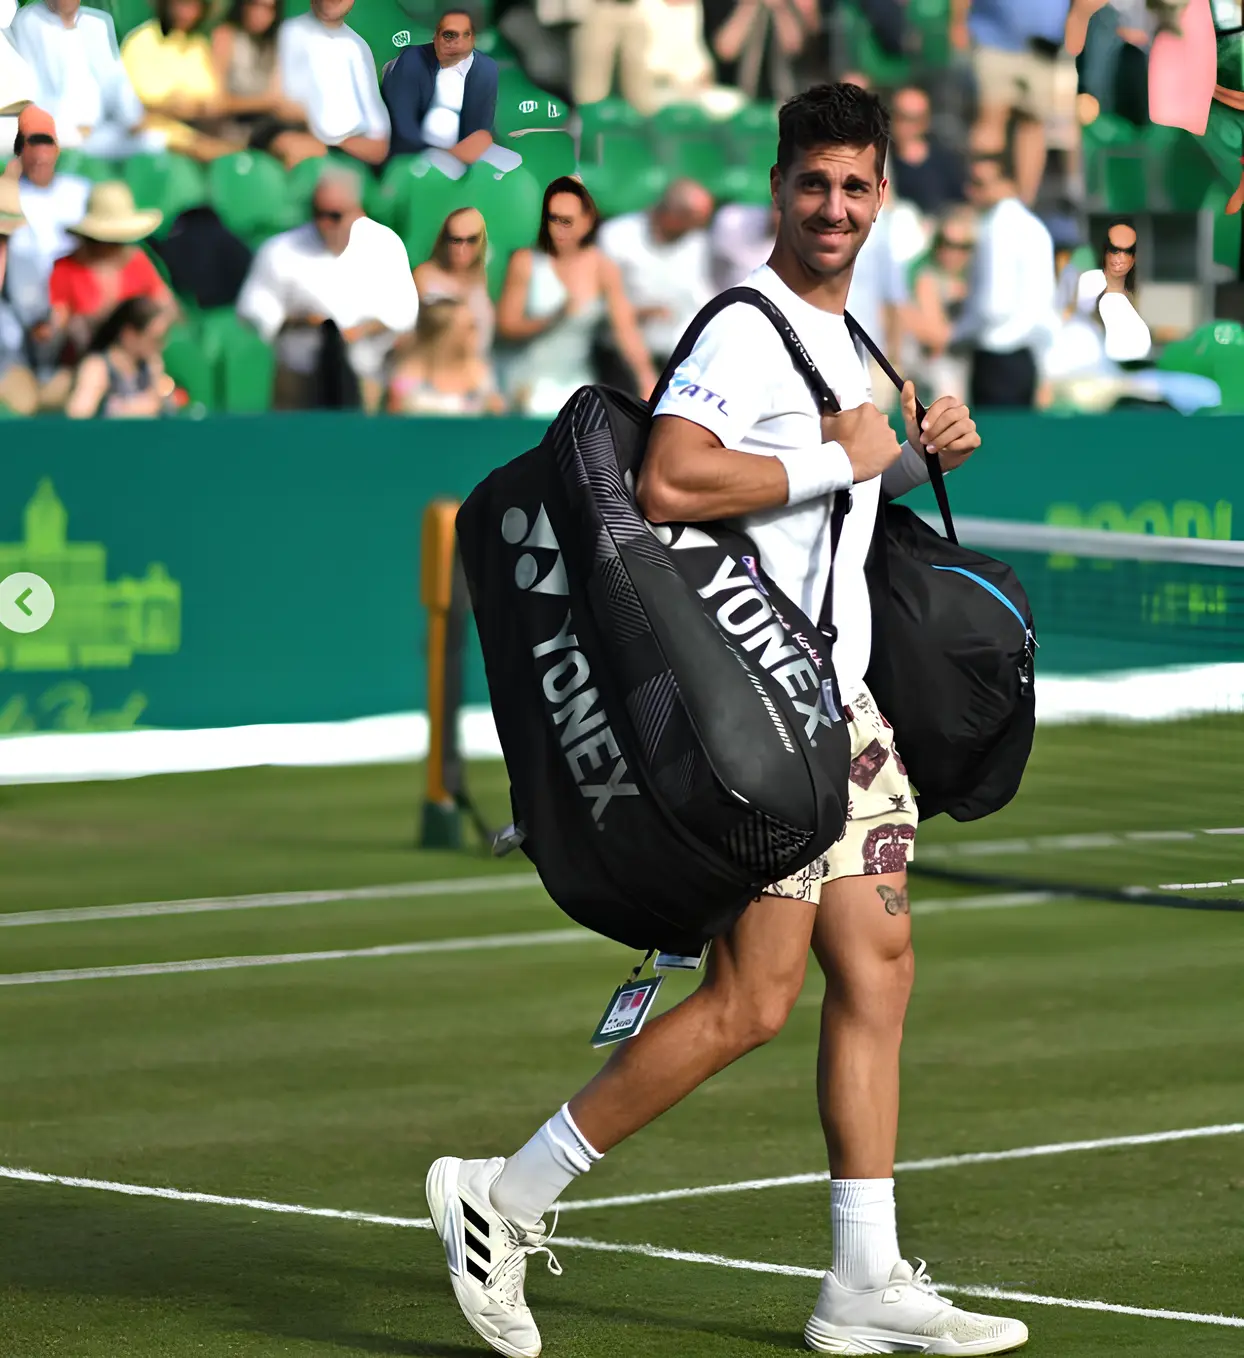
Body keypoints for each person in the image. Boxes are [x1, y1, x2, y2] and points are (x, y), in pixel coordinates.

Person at [425, 82, 1028, 1358]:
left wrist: (921, 450)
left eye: (854, 185)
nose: (832, 206)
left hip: (841, 703)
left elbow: (842, 481)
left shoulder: (850, 340)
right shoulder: (746, 331)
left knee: (877, 965)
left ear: (880, 195)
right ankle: (502, 1190)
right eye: (812, 183)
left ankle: (861, 1279)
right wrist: (845, 457)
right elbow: (670, 476)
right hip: (770, 704)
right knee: (753, 1000)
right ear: (778, 187)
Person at [235, 164, 419, 412]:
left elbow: (405, 314)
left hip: (367, 375)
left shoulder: (385, 246)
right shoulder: (281, 249)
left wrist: (361, 329)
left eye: (335, 215)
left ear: (358, 211)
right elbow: (256, 309)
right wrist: (301, 320)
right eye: (318, 213)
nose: (325, 223)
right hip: (301, 376)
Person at [495, 175, 655, 416]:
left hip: (574, 388)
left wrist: (645, 377)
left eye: (567, 221)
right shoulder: (525, 262)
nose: (558, 230)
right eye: (553, 220)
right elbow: (506, 327)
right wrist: (553, 318)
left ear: (588, 221)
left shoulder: (603, 267)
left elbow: (625, 330)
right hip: (520, 386)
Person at [955, 149, 1058, 407]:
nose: (971, 191)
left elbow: (993, 304)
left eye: (980, 184)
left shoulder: (995, 226)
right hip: (1026, 361)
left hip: (996, 362)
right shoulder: (1035, 226)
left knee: (992, 446)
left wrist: (955, 334)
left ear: (1007, 183)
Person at [950, 0, 1077, 206]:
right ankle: (983, 197)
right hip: (994, 40)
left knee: (1034, 124)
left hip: (1046, 47)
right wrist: (958, 23)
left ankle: (1023, 205)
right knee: (991, 119)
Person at [9, 0, 161, 159]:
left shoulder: (96, 23)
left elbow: (115, 80)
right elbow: (33, 90)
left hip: (102, 130)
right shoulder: (29, 22)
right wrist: (74, 126)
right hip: (60, 130)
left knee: (154, 141)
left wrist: (132, 118)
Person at [47, 181, 173, 371]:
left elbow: (166, 307)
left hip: (136, 367)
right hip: (84, 366)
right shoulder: (66, 269)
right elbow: (55, 327)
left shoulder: (137, 262)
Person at [382, 9, 521, 178]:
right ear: (436, 38)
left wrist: (471, 147)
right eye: (450, 35)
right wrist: (447, 152)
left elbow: (482, 123)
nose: (457, 42)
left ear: (473, 39)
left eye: (465, 35)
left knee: (512, 162)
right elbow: (403, 126)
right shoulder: (412, 60)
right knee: (443, 172)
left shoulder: (486, 68)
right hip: (420, 150)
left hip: (464, 148)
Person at [596, 177, 716, 372]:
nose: (700, 226)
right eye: (695, 218)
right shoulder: (617, 235)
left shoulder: (697, 242)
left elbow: (701, 295)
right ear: (672, 214)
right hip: (620, 353)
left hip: (678, 355)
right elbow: (596, 300)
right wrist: (638, 312)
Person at [120, 0, 245, 163]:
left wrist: (202, 106)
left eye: (193, 6)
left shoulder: (198, 46)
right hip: (158, 135)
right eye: (181, 4)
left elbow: (212, 97)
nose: (186, 13)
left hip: (200, 132)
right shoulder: (141, 40)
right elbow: (132, 103)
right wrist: (169, 106)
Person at [210, 0, 326, 168]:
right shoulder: (226, 36)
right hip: (237, 128)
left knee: (317, 148)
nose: (259, 13)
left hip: (270, 124)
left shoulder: (275, 43)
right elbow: (216, 103)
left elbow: (278, 96)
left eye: (268, 8)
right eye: (254, 5)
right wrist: (268, 103)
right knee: (294, 149)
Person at [276, 0, 390, 167]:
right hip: (303, 153)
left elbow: (378, 140)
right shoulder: (291, 33)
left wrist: (340, 146)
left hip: (350, 158)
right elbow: (285, 107)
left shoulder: (358, 47)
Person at [903, 207, 975, 403]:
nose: (953, 253)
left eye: (963, 246)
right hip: (931, 377)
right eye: (946, 243)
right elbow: (936, 336)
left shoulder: (975, 279)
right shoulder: (924, 275)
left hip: (969, 372)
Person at [387, 296, 504, 414]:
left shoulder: (481, 375)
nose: (477, 334)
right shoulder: (406, 381)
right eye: (470, 327)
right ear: (446, 336)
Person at [64, 293, 173, 418]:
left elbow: (163, 407)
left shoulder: (151, 365)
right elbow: (78, 415)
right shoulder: (97, 367)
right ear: (129, 335)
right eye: (154, 340)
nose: (159, 346)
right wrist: (133, 409)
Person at [413, 207, 495, 359]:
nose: (462, 249)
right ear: (445, 240)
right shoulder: (424, 276)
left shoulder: (479, 277)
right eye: (455, 240)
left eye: (471, 240)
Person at [1072, 217, 1152, 361]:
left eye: (1127, 251)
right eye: (1115, 249)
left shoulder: (1132, 292)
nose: (1120, 257)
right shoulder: (1091, 282)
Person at [887, 84, 966, 216]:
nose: (906, 126)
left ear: (926, 121)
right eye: (900, 117)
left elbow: (962, 203)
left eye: (914, 119)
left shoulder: (946, 160)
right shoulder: (881, 160)